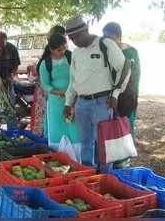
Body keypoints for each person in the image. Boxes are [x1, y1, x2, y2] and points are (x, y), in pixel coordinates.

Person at [63, 16, 126, 173]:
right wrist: (67, 103)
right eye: (71, 39)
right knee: (85, 142)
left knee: (105, 143)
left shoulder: (105, 44)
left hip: (102, 102)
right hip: (82, 104)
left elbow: (124, 68)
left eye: (76, 37)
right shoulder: (76, 53)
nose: (74, 41)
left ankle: (105, 175)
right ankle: (87, 172)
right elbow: (73, 81)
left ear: (85, 30)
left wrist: (115, 94)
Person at [37, 33, 80, 150]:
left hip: (74, 100)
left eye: (64, 48)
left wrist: (72, 93)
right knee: (57, 128)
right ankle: (58, 156)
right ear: (51, 49)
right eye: (59, 50)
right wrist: (60, 92)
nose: (62, 52)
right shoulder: (45, 64)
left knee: (74, 129)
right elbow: (45, 84)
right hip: (56, 102)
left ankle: (76, 158)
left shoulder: (70, 57)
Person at [102, 22, 141, 137]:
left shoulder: (131, 52)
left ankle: (126, 152)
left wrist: (122, 95)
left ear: (120, 37)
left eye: (111, 38)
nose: (108, 41)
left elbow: (134, 77)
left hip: (127, 97)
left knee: (125, 127)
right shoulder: (104, 50)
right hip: (108, 97)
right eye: (105, 38)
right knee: (109, 128)